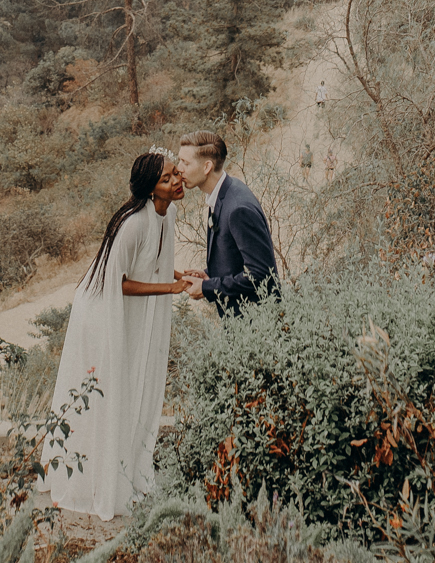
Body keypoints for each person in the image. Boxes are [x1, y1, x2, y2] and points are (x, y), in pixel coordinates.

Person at [38, 150, 198, 518]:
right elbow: (119, 281)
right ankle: (92, 478)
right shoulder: (132, 223)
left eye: (176, 173)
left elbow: (151, 259)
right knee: (106, 390)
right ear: (151, 190)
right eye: (166, 179)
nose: (176, 182)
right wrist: (169, 290)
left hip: (128, 311)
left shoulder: (168, 212)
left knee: (131, 385)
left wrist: (175, 275)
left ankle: (127, 469)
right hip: (99, 313)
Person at [175, 129, 278, 313]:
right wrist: (210, 274)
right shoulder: (224, 192)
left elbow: (262, 275)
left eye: (185, 162)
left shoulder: (238, 209)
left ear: (206, 167)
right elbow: (237, 257)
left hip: (257, 324)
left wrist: (207, 288)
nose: (178, 168)